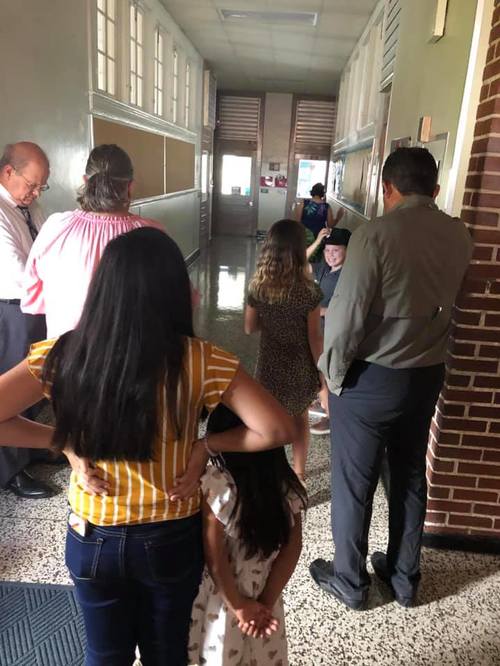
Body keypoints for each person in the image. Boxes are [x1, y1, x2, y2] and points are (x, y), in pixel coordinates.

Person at [0, 227, 297, 666]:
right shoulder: (200, 359)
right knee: (166, 654)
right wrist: (206, 445)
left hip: (93, 534)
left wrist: (65, 444)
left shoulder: (63, 354)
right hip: (169, 536)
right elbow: (277, 429)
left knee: (105, 654)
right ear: (172, 292)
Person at [309, 147, 473, 610]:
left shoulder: (374, 235)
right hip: (426, 376)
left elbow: (347, 316)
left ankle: (351, 581)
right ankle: (404, 578)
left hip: (371, 380)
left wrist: (331, 380)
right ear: (435, 189)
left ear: (387, 189)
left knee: (354, 481)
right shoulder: (460, 234)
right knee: (409, 474)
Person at [189, 405, 306, 666]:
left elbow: (215, 557)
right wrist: (265, 603)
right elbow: (293, 548)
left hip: (222, 599)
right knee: (263, 656)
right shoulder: (288, 486)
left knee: (220, 654)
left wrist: (239, 605)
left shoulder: (218, 485)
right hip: (265, 592)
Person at [21, 144, 163, 337]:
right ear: (130, 186)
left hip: (65, 350)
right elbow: (178, 299)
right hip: (132, 352)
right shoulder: (152, 234)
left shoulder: (56, 227)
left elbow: (32, 296)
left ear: (86, 181)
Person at [245, 219, 325, 480]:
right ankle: (299, 473)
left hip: (269, 364)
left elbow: (249, 327)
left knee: (270, 418)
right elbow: (314, 338)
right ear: (300, 250)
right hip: (300, 365)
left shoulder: (258, 287)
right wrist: (322, 378)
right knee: (300, 419)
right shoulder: (310, 292)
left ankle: (271, 472)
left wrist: (272, 322)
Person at [0, 141, 54, 499]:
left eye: (40, 187)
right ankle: (11, 471)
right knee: (11, 389)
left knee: (34, 382)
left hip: (35, 306)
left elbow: (47, 250)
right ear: (8, 172)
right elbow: (19, 272)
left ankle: (31, 448)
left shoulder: (28, 207)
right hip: (11, 309)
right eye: (31, 185)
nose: (35, 193)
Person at [308, 227, 351, 436]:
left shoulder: (348, 275)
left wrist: (316, 311)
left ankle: (332, 418)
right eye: (327, 250)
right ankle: (324, 403)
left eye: (336, 250)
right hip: (321, 331)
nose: (330, 255)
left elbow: (347, 307)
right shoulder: (326, 269)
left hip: (335, 333)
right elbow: (298, 262)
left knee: (330, 374)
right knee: (320, 370)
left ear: (348, 250)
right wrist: (318, 241)